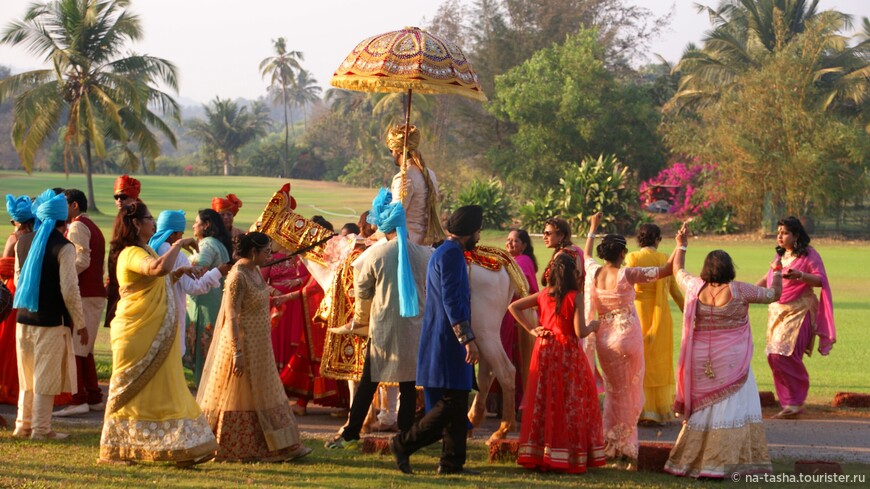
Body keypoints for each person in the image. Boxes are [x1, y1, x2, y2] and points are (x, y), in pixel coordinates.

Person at [99, 201, 218, 465]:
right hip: (137, 334)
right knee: (129, 393)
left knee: (166, 387)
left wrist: (179, 273)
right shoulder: (130, 253)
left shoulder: (146, 248)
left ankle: (181, 447)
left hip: (155, 333)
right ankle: (114, 450)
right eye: (149, 218)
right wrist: (177, 246)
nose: (153, 223)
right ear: (136, 223)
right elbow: (156, 270)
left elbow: (156, 280)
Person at [665, 225, 780, 478]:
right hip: (733, 361)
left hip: (700, 359)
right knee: (734, 406)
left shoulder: (695, 288)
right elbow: (773, 295)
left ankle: (693, 461)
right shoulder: (740, 290)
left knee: (704, 409)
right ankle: (726, 463)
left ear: (707, 269)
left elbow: (677, 271)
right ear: (730, 268)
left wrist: (682, 244)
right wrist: (778, 271)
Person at [325, 189, 432, 449]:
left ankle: (351, 432)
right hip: (415, 327)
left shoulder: (374, 255)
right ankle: (405, 436)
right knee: (408, 385)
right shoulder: (424, 253)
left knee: (368, 384)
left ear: (385, 228)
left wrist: (359, 322)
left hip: (383, 329)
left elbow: (362, 293)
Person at [197, 232, 311, 462]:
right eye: (266, 251)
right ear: (253, 252)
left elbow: (260, 296)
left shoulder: (254, 270)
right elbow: (231, 316)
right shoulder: (238, 275)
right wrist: (237, 351)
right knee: (239, 394)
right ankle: (234, 447)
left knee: (263, 391)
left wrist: (283, 297)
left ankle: (281, 445)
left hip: (260, 346)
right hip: (242, 344)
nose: (270, 255)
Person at [389, 205, 482, 476]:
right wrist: (467, 339)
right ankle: (403, 443)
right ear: (470, 231)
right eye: (478, 230)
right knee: (452, 402)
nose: (479, 235)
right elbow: (453, 300)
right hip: (448, 339)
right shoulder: (452, 254)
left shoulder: (446, 251)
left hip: (442, 335)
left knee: (457, 399)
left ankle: (452, 463)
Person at [583, 212, 674, 465]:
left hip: (604, 339)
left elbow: (585, 255)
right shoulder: (627, 274)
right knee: (630, 393)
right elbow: (666, 270)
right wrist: (681, 244)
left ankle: (611, 442)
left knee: (613, 393)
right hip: (627, 338)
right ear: (622, 254)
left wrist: (592, 227)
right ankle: (626, 447)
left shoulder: (594, 272)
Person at [508, 253, 605, 473]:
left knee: (545, 400)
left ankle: (541, 452)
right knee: (569, 402)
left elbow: (513, 307)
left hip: (545, 348)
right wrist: (593, 326)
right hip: (567, 351)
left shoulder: (543, 294)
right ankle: (568, 453)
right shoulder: (575, 296)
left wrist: (532, 329)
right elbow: (579, 332)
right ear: (573, 274)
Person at [12, 189, 87, 440]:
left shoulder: (23, 241)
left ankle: (23, 425)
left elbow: (17, 279)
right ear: (63, 222)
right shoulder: (64, 247)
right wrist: (81, 322)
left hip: (23, 319)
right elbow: (69, 289)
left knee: (28, 378)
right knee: (45, 379)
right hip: (51, 322)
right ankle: (41, 430)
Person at [760, 217, 834, 419]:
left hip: (800, 311)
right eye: (778, 233)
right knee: (772, 357)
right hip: (778, 312)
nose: (779, 236)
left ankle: (795, 400)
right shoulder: (780, 257)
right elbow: (767, 279)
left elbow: (820, 280)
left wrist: (800, 275)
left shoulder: (809, 254)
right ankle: (789, 402)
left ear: (796, 235)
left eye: (784, 233)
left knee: (785, 354)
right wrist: (746, 291)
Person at [53, 189, 108, 417]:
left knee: (77, 347)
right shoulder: (91, 225)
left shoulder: (76, 227)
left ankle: (78, 399)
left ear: (74, 205)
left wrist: (63, 277)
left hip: (84, 293)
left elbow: (81, 260)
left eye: (63, 204)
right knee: (85, 348)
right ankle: (93, 395)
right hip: (93, 292)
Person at [625, 223, 684, 424]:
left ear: (638, 240)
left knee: (637, 360)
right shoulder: (664, 259)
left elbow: (624, 286)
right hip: (661, 315)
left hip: (638, 312)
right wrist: (690, 312)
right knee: (657, 361)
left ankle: (640, 408)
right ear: (657, 240)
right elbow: (675, 291)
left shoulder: (632, 258)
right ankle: (657, 409)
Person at [148, 210, 225, 358]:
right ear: (173, 234)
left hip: (153, 315)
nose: (182, 237)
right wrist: (218, 271)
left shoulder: (150, 249)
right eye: (180, 234)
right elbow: (194, 287)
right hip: (171, 314)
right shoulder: (175, 254)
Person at [492, 229, 539, 416]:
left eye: (515, 241)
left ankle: (519, 404)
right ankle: (506, 404)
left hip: (518, 314)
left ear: (524, 245)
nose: (510, 243)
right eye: (508, 240)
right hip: (507, 312)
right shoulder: (510, 260)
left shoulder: (523, 261)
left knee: (517, 359)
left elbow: (526, 290)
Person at [185, 208, 232, 386]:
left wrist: (178, 265)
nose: (193, 226)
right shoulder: (217, 243)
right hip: (213, 300)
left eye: (196, 223)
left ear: (206, 225)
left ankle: (204, 387)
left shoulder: (207, 245)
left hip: (204, 303)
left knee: (203, 344)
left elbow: (197, 270)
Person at [386, 124, 445, 245]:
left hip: (406, 241)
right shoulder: (430, 174)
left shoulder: (404, 177)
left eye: (391, 151)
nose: (392, 155)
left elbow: (395, 216)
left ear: (398, 151)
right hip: (425, 240)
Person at [0, 195, 34, 405]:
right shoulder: (36, 237)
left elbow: (3, 268)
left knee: (9, 338)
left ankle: (6, 383)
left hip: (13, 288)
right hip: (28, 289)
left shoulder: (14, 239)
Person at [260, 246, 311, 369]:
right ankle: (275, 369)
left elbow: (314, 277)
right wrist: (273, 291)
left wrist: (299, 280)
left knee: (295, 336)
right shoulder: (271, 257)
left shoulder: (303, 256)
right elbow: (259, 281)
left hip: (297, 304)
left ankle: (292, 370)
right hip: (277, 303)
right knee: (276, 334)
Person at [105, 174, 142, 329]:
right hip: (117, 278)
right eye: (116, 197)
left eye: (124, 196)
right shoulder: (121, 217)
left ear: (133, 198)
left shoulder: (138, 218)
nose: (119, 200)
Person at [541, 217, 583, 286]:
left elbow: (558, 289)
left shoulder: (563, 256)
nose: (544, 237)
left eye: (548, 233)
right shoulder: (574, 250)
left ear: (561, 235)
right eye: (544, 233)